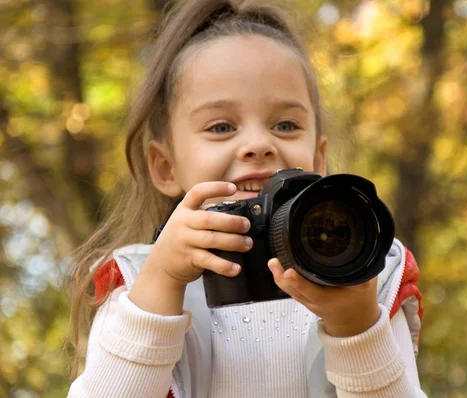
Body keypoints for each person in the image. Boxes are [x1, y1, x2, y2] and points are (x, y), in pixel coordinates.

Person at [67, 0, 426, 397]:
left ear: (318, 158)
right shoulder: (138, 282)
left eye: (285, 125)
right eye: (221, 126)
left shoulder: (368, 271)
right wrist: (162, 283)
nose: (258, 144)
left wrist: (357, 327)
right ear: (165, 167)